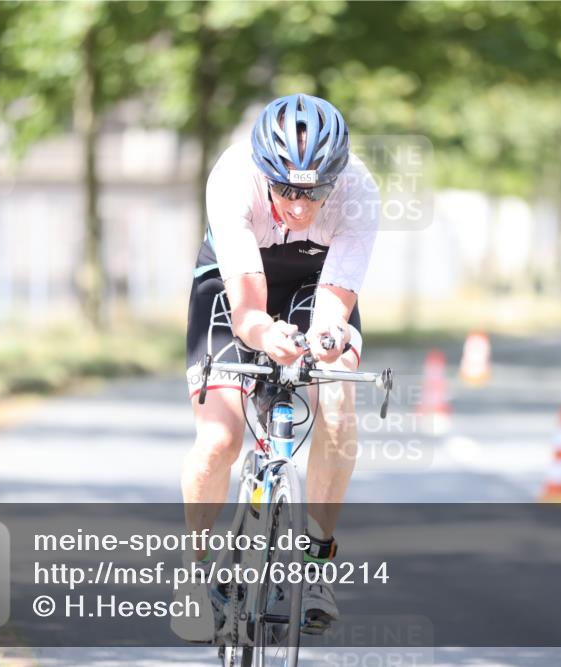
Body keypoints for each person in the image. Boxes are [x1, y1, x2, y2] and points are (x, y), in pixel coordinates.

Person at [172, 94, 380, 642]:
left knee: (337, 403)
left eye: (314, 191)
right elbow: (247, 314)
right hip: (233, 282)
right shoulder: (232, 179)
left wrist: (327, 339)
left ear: (337, 178)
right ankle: (194, 573)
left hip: (316, 280)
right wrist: (267, 335)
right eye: (286, 190)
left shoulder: (359, 191)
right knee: (219, 438)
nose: (299, 207)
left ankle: (315, 565)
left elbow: (333, 309)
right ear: (264, 173)